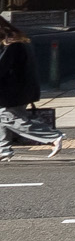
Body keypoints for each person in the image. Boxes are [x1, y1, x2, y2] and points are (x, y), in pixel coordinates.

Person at [0, 19, 62, 159]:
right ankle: (3, 149)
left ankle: (53, 136)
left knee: (9, 118)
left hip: (12, 91)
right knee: (4, 117)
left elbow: (2, 67)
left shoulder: (11, 45)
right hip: (19, 89)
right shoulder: (16, 40)